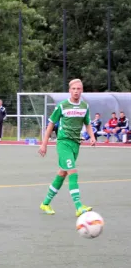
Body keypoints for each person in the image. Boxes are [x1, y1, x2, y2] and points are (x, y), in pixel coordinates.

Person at [38, 79, 95, 217]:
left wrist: (92, 136)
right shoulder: (62, 106)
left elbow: (87, 123)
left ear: (82, 90)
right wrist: (44, 143)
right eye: (73, 88)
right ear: (70, 90)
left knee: (62, 173)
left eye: (79, 89)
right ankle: (78, 206)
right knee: (73, 172)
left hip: (76, 144)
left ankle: (45, 203)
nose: (76, 91)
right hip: (63, 143)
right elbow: (51, 124)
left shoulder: (84, 107)